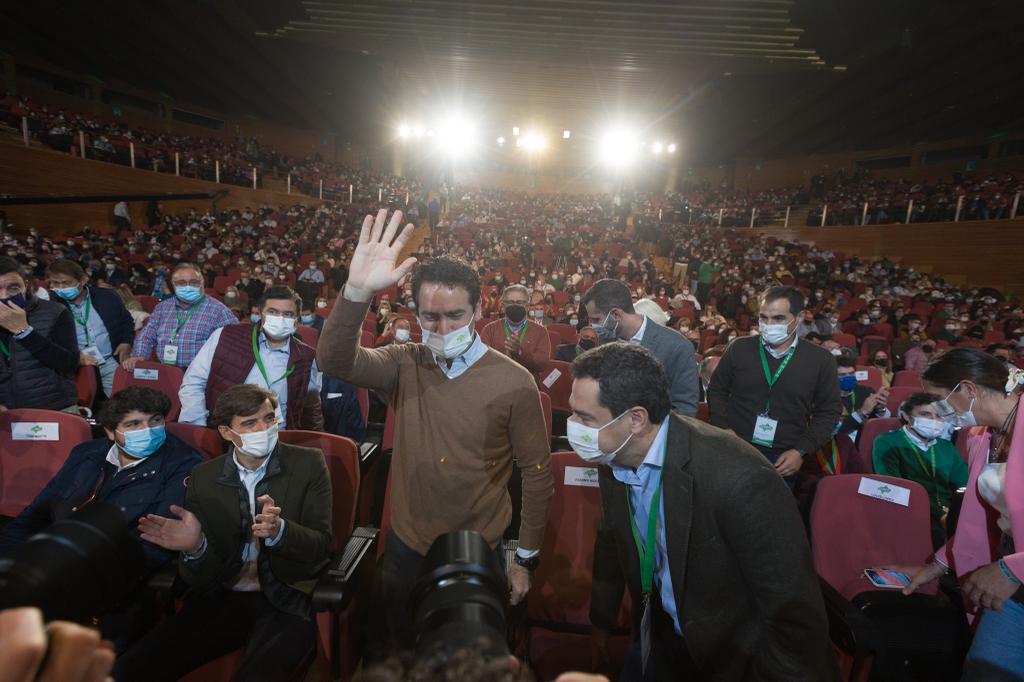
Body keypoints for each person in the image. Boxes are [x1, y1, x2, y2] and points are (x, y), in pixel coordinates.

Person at [316, 209, 552, 658]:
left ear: (480, 309)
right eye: (430, 317)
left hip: (478, 547)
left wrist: (524, 559)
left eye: (455, 316)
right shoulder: (406, 360)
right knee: (404, 653)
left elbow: (538, 476)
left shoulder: (515, 380)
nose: (442, 330)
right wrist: (356, 292)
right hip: (407, 544)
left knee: (465, 663)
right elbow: (334, 362)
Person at [572, 343, 838, 681]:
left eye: (584, 417)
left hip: (732, 658)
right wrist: (603, 623)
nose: (573, 426)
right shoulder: (612, 457)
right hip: (661, 632)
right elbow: (612, 542)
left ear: (636, 419)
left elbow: (793, 613)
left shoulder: (741, 479)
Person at [114, 384, 333, 682]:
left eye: (269, 418)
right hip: (223, 596)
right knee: (130, 669)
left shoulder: (308, 463)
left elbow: (320, 547)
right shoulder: (205, 477)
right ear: (227, 433)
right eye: (249, 423)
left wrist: (281, 531)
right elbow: (199, 576)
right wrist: (196, 547)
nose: (264, 428)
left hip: (287, 597)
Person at [890, 351, 1024, 679]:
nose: (936, 411)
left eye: (939, 399)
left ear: (968, 389)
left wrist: (1012, 570)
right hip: (1011, 583)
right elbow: (980, 523)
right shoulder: (981, 436)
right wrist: (935, 566)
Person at [0, 385, 201, 565]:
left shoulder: (184, 464)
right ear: (111, 433)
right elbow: (35, 515)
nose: (148, 431)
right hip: (52, 553)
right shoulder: (86, 454)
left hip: (101, 572)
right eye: (134, 424)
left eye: (155, 421)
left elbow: (152, 548)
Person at [707, 286, 842, 483]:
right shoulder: (739, 348)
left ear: (799, 317)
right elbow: (717, 390)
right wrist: (723, 428)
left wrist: (801, 450)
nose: (769, 325)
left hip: (783, 458)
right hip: (734, 446)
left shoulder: (820, 360)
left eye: (779, 318)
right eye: (763, 318)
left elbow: (829, 412)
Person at [178, 286, 323, 430]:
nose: (280, 319)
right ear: (260, 313)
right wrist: (199, 430)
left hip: (278, 438)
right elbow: (193, 383)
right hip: (227, 435)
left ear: (296, 321)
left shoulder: (306, 357)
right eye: (272, 312)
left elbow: (310, 407)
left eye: (288, 314)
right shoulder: (225, 336)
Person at [583, 279, 699, 417]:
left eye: (596, 320)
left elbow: (684, 409)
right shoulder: (603, 341)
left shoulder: (677, 347)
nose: (592, 326)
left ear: (615, 314)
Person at [872, 392, 968, 548]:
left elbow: (964, 483)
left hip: (949, 513)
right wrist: (941, 514)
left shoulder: (946, 446)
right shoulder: (887, 442)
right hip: (910, 511)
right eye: (926, 415)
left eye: (939, 416)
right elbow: (894, 488)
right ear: (907, 417)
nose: (934, 421)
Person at [0, 256, 79, 411]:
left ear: (26, 285)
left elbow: (68, 364)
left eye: (13, 287)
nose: (4, 296)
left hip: (53, 407)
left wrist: (25, 332)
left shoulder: (55, 312)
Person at [124, 262, 237, 370]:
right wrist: (138, 355)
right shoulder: (162, 308)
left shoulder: (219, 311)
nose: (188, 287)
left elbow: (233, 346)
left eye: (193, 282)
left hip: (201, 374)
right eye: (181, 283)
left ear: (202, 283)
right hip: (166, 370)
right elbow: (146, 335)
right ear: (173, 285)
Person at [47, 259, 135, 397]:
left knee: (121, 403)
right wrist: (74, 359)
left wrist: (126, 342)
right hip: (75, 366)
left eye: (66, 283)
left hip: (108, 360)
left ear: (82, 280)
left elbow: (127, 321)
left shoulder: (107, 296)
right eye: (55, 283)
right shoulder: (49, 305)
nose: (61, 288)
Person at [480, 284, 551, 373]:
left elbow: (542, 365)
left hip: (528, 384)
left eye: (520, 302)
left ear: (528, 306)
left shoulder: (541, 332)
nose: (515, 305)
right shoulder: (489, 330)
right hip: (496, 382)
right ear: (503, 305)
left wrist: (520, 353)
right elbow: (481, 362)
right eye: (510, 302)